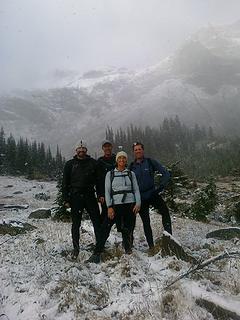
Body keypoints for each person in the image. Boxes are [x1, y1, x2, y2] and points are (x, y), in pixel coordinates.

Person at [87, 151, 141, 263]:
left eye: (124, 158)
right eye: (119, 158)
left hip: (130, 205)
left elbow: (136, 190)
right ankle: (97, 252)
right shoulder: (110, 174)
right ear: (116, 160)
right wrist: (109, 207)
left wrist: (138, 203)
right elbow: (107, 192)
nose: (122, 160)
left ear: (126, 160)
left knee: (128, 229)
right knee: (105, 228)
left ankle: (128, 251)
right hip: (115, 206)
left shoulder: (131, 174)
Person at [130, 142, 172, 252]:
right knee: (146, 222)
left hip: (152, 194)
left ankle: (170, 240)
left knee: (165, 212)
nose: (138, 151)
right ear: (133, 152)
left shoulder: (150, 162)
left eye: (139, 149)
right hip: (140, 198)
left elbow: (166, 173)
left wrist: (160, 187)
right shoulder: (131, 166)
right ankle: (151, 246)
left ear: (143, 150)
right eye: (136, 150)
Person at [62, 141, 101, 259]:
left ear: (86, 151)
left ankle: (99, 246)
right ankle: (76, 247)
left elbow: (99, 181)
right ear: (76, 151)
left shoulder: (93, 163)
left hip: (90, 195)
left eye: (83, 149)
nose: (81, 151)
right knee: (76, 223)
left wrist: (100, 195)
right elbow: (65, 183)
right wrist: (66, 198)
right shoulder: (70, 164)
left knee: (96, 221)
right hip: (76, 196)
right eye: (79, 149)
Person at [96, 140, 116, 223]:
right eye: (105, 146)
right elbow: (98, 180)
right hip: (104, 194)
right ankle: (101, 235)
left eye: (109, 146)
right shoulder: (100, 162)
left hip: (117, 193)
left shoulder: (118, 159)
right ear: (102, 148)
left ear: (111, 147)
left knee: (119, 215)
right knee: (105, 215)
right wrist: (99, 194)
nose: (107, 148)